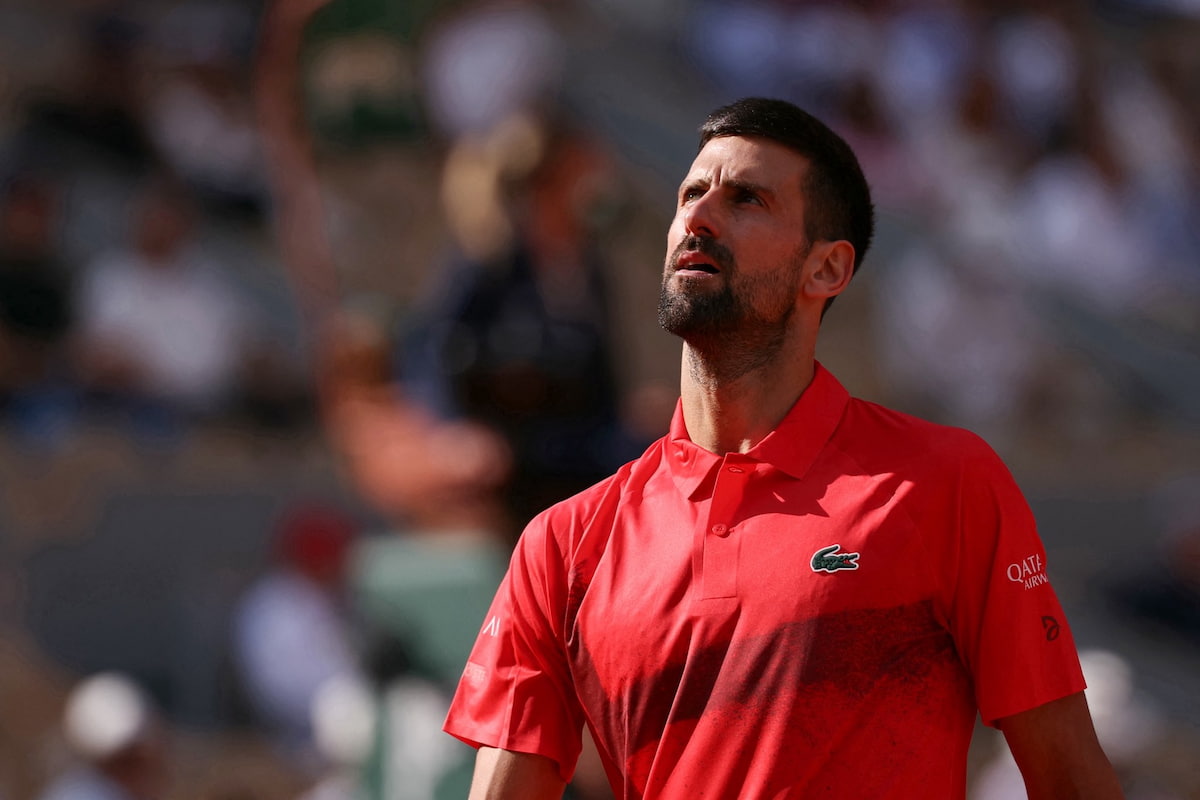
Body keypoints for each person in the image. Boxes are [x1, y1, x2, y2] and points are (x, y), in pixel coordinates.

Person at [442, 97, 1124, 799]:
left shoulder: (944, 484)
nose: (698, 218)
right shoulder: (561, 544)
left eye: (746, 200)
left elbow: (1071, 778)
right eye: (689, 195)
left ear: (826, 270)